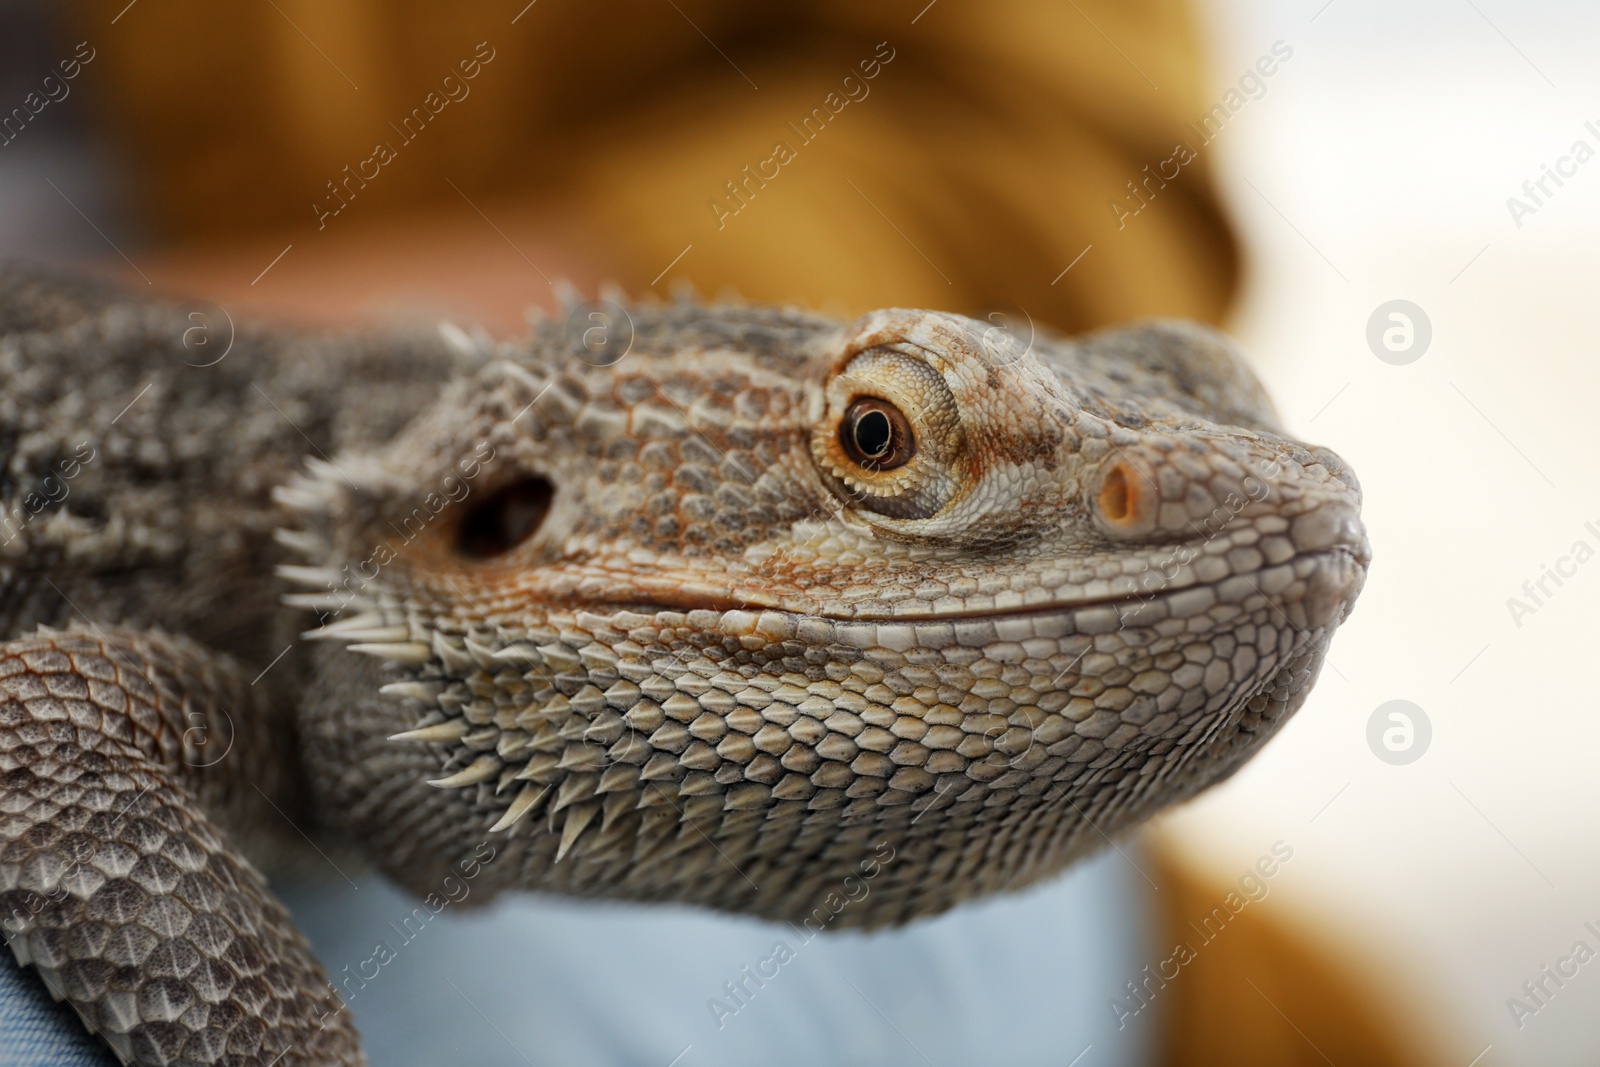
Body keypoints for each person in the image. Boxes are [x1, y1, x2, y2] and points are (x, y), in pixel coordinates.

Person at [1, 1, 1419, 1062]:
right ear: (504, 519)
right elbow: (48, 750)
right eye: (886, 443)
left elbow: (1058, 151)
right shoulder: (219, 665)